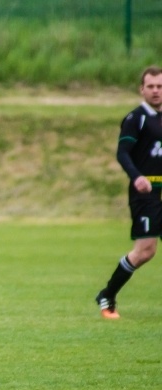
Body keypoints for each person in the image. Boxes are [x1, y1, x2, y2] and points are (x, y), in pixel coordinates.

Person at [95, 66, 162, 319]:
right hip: (146, 194)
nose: (156, 91)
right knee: (146, 251)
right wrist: (137, 177)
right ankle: (107, 294)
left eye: (160, 86)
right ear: (142, 89)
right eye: (151, 86)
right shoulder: (137, 118)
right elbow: (122, 153)